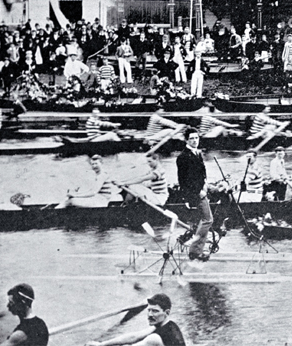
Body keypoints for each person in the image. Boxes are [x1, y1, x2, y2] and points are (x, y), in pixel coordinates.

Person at [85, 293, 185, 346]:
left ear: (166, 312)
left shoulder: (154, 339)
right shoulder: (170, 325)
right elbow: (134, 336)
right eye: (149, 310)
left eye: (155, 311)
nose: (150, 315)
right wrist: (102, 344)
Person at [176, 128, 213, 261]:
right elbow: (185, 180)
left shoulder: (196, 153)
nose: (194, 140)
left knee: (201, 222)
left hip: (201, 190)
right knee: (208, 220)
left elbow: (201, 174)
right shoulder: (183, 157)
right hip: (195, 194)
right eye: (191, 138)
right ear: (186, 140)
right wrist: (199, 192)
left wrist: (206, 184)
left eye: (196, 138)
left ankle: (196, 249)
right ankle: (195, 251)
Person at [56, 155, 122, 208]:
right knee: (70, 201)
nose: (94, 166)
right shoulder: (101, 174)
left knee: (71, 201)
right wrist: (75, 194)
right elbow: (92, 191)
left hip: (101, 202)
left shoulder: (101, 176)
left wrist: (75, 195)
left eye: (96, 164)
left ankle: (53, 212)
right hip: (98, 199)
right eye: (92, 164)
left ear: (101, 163)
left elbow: (93, 192)